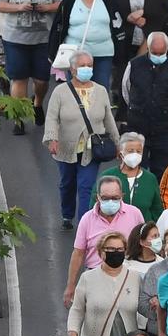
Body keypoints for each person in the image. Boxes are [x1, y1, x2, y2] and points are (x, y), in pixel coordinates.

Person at [45, 50, 123, 229]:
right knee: (67, 183)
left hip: (92, 148)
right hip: (66, 147)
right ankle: (67, 214)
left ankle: (84, 224)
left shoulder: (101, 91)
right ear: (72, 69)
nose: (87, 69)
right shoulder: (60, 92)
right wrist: (52, 139)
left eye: (90, 65)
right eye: (82, 66)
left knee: (86, 186)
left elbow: (108, 119)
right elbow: (51, 118)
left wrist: (118, 144)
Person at [0, 0, 61, 132]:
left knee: (41, 80)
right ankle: (18, 119)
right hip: (16, 40)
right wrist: (19, 7)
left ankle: (37, 103)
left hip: (42, 40)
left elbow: (60, 3)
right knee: (19, 78)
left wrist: (47, 8)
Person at [66, 230, 147, 336]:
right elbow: (77, 309)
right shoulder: (88, 278)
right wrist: (73, 334)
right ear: (101, 252)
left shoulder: (135, 277)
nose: (115, 253)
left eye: (119, 249)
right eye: (110, 249)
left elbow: (144, 308)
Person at [65, 176, 146, 309]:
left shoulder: (135, 214)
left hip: (127, 277)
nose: (110, 201)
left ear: (122, 196)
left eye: (115, 198)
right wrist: (71, 286)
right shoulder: (87, 219)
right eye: (105, 198)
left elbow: (143, 245)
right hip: (95, 278)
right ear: (97, 197)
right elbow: (78, 253)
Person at [46, 0, 125, 90]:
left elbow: (117, 23)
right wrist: (53, 50)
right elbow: (59, 25)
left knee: (100, 90)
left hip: (103, 53)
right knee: (75, 93)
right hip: (76, 53)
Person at [118, 34, 168, 178]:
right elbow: (126, 91)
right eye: (154, 53)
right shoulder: (133, 65)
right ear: (148, 49)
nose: (158, 56)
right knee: (136, 170)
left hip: (165, 129)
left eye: (161, 53)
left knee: (162, 173)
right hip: (138, 127)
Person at [98, 132, 165, 227]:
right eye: (130, 151)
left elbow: (157, 210)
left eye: (139, 151)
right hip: (112, 232)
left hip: (142, 233)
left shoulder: (150, 178)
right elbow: (94, 206)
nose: (135, 154)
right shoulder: (108, 175)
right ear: (121, 153)